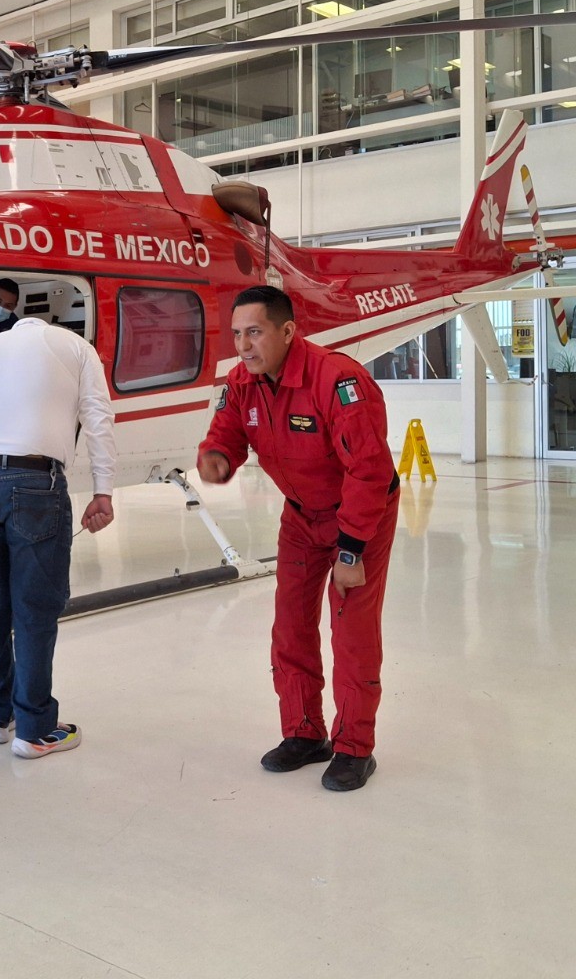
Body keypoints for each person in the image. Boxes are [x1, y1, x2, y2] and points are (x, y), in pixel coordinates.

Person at [195, 285, 399, 793]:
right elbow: (227, 431)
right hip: (302, 516)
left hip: (361, 516)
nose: (243, 345)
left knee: (351, 632)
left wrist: (351, 549)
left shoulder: (338, 380)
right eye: (237, 334)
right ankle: (305, 733)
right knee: (290, 626)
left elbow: (369, 470)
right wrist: (217, 456)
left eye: (255, 332)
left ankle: (354, 747)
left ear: (287, 331)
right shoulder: (243, 381)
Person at [0, 316, 115, 760]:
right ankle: (35, 729)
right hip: (34, 481)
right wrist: (103, 490)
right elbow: (98, 418)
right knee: (34, 608)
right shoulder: (77, 348)